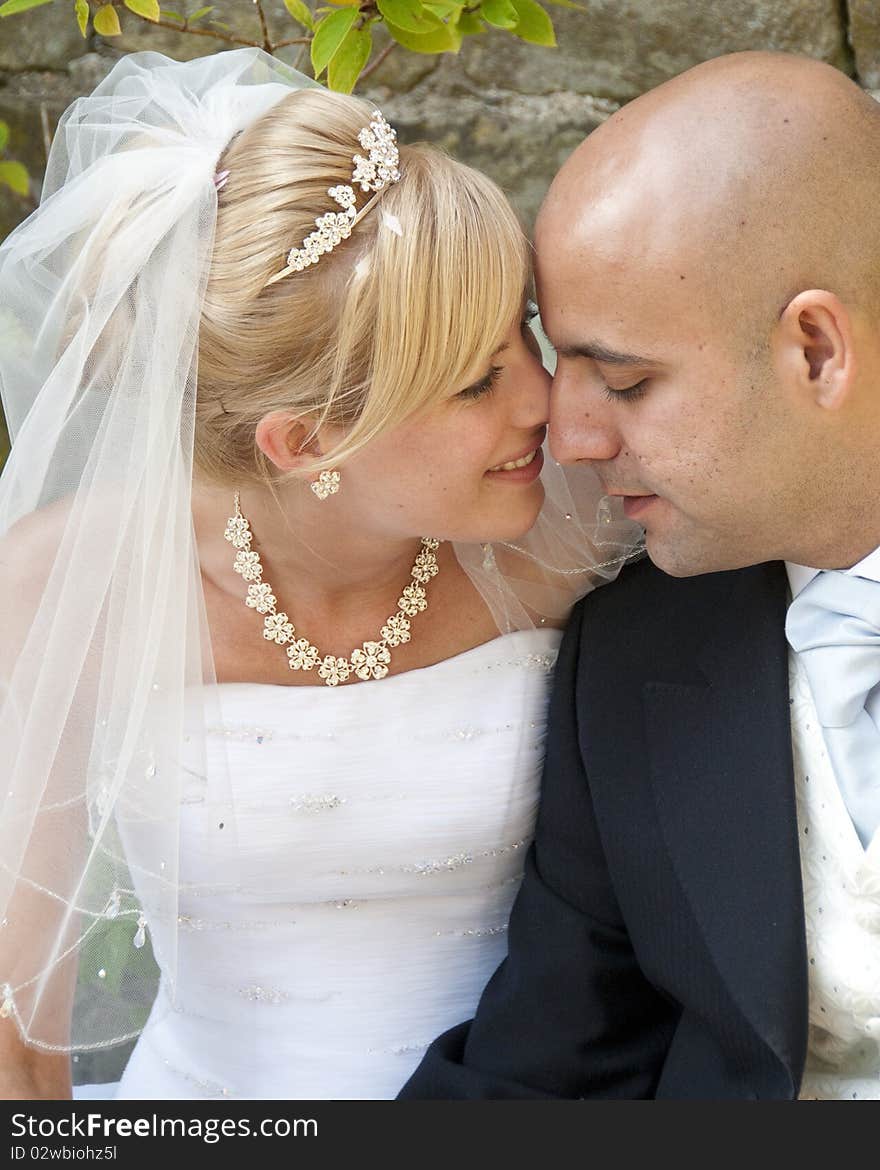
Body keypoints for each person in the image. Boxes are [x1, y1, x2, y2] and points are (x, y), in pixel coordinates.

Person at [0, 49, 639, 1100]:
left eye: (521, 333)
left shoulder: (587, 519)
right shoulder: (69, 583)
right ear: (306, 444)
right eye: (477, 381)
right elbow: (19, 1039)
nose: (546, 404)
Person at [400, 50, 880, 1101]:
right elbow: (545, 1073)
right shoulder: (629, 659)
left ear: (815, 352)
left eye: (623, 379)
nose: (565, 437)